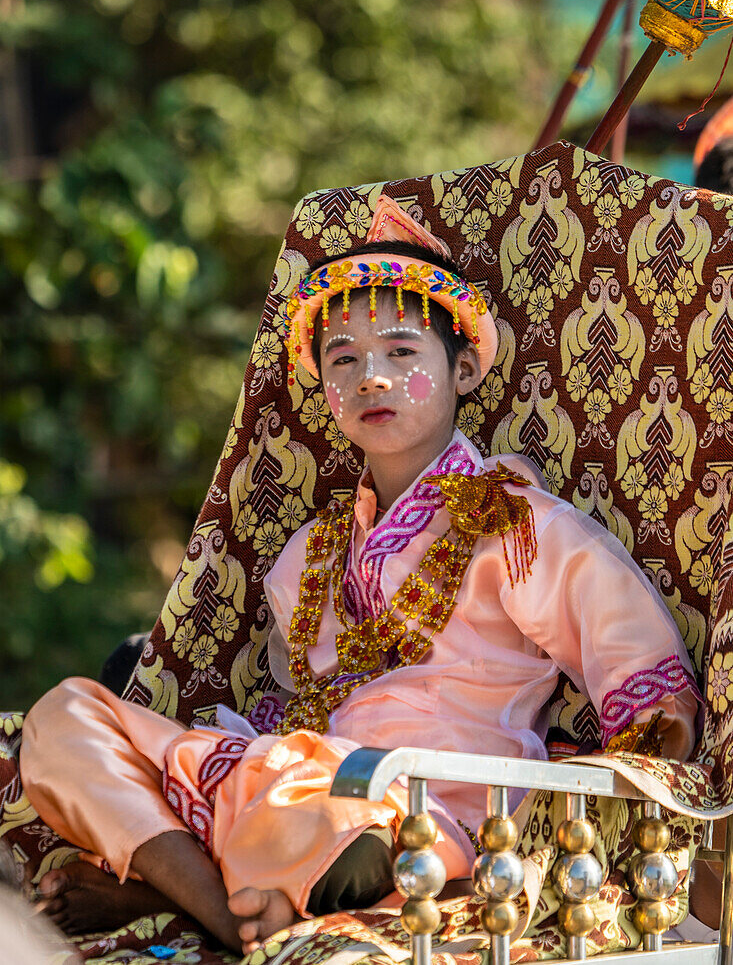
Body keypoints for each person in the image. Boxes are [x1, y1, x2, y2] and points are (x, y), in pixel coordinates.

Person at [20, 196, 701, 955]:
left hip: (425, 808)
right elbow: (299, 706)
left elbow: (646, 688)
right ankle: (231, 911)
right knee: (64, 718)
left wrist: (649, 748)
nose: (371, 377)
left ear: (465, 367)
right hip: (297, 786)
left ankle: (181, 887)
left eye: (402, 352)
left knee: (333, 812)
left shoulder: (524, 527)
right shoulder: (304, 556)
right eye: (343, 358)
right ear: (324, 385)